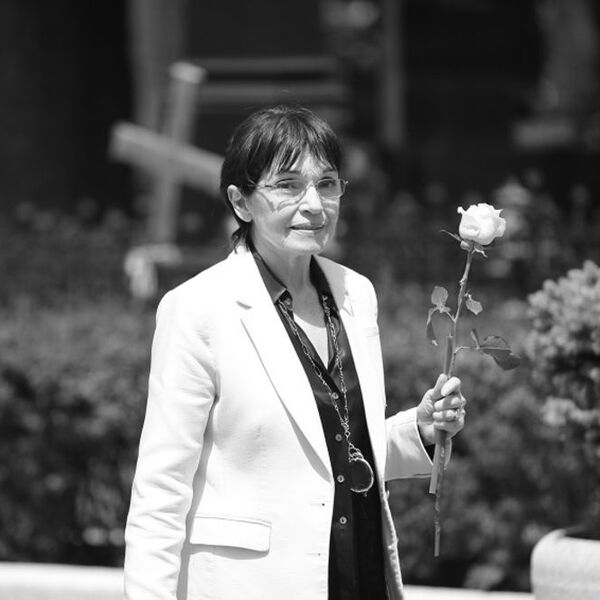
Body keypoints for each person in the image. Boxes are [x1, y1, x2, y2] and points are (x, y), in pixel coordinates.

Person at [123, 105, 466, 600]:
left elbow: (335, 448)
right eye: (287, 186)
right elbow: (160, 490)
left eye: (327, 184)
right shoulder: (199, 308)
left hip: (358, 574)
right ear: (241, 202)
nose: (314, 204)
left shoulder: (355, 294)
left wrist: (421, 430)